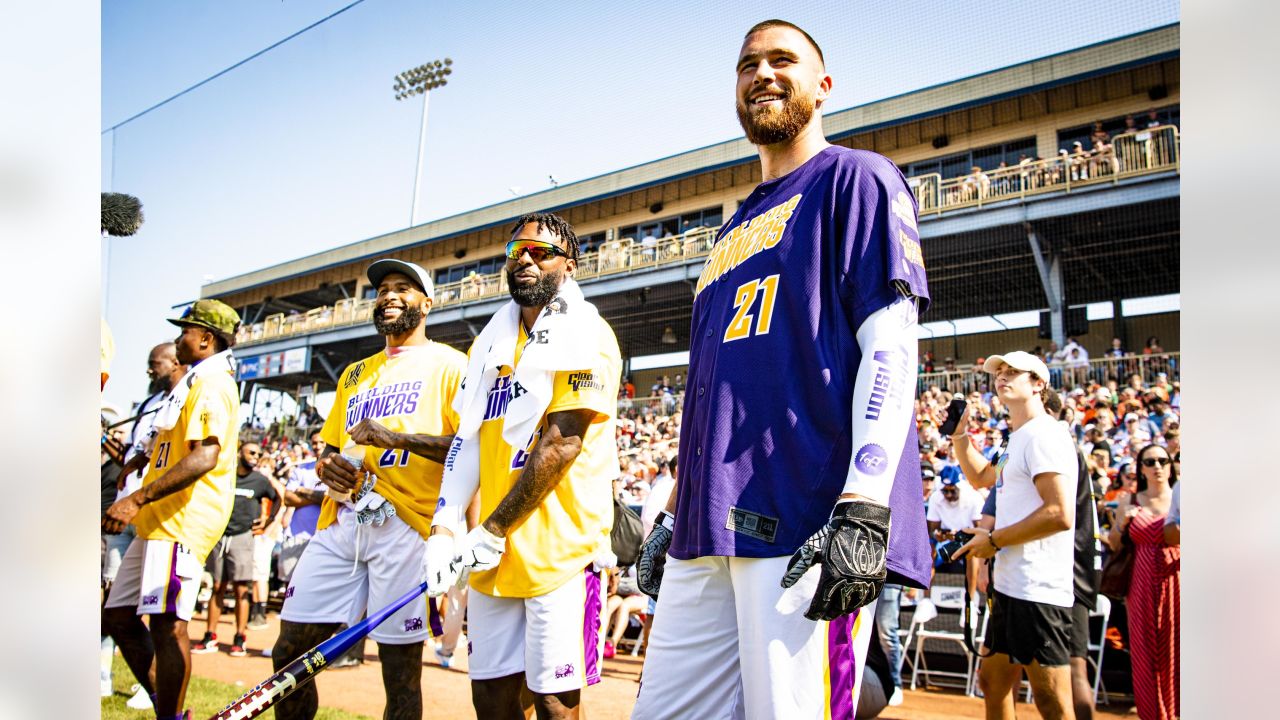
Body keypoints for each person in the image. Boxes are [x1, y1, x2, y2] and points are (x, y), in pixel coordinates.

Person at [631, 20, 931, 718]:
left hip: (805, 518)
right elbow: (719, 392)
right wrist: (677, 511)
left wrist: (864, 501)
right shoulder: (730, 233)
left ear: (823, 87)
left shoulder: (856, 177)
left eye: (782, 60)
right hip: (707, 528)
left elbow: (892, 340)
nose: (762, 73)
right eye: (747, 65)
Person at [425, 212, 622, 720]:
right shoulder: (488, 344)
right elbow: (466, 440)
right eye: (517, 252)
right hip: (493, 558)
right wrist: (444, 527)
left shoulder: (588, 333)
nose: (526, 259)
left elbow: (562, 442)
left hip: (561, 554)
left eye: (541, 251)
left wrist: (489, 528)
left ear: (570, 267)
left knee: (555, 704)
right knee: (490, 699)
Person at [271, 259, 466, 720]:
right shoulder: (354, 374)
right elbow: (333, 450)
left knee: (399, 675)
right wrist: (328, 469)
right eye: (382, 290)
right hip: (343, 522)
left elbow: (470, 451)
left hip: (406, 526)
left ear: (428, 302)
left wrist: (396, 438)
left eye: (403, 288)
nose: (389, 296)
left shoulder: (452, 365)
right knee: (288, 656)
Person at [102, 299, 243, 720]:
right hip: (158, 520)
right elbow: (167, 441)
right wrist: (136, 462)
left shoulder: (213, 383)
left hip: (182, 519)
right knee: (120, 615)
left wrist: (136, 497)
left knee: (168, 624)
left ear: (205, 338)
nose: (179, 338)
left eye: (185, 331)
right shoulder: (191, 383)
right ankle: (170, 711)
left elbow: (204, 457)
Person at [948, 350, 1078, 720]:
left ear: (1039, 384)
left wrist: (993, 541)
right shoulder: (1016, 437)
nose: (1001, 377)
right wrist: (960, 435)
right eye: (999, 372)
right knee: (993, 681)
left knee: (1052, 701)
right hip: (1010, 585)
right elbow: (981, 478)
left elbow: (1059, 514)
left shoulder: (1045, 436)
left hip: (1038, 589)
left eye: (1013, 372)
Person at [1107, 444, 1179, 720]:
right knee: (1145, 653)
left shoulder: (1182, 498)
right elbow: (1113, 544)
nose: (1157, 466)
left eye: (1163, 460)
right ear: (1141, 468)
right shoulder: (1130, 500)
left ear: (1170, 465)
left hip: (1178, 582)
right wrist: (1121, 524)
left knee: (1179, 651)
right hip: (1141, 585)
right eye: (1150, 462)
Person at [191, 442, 277, 657]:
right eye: (251, 452)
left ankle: (240, 637)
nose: (255, 456)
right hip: (221, 535)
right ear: (240, 452)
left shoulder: (260, 480)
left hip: (242, 537)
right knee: (217, 586)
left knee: (241, 589)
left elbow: (278, 498)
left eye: (258, 453)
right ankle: (210, 635)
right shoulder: (225, 475)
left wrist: (269, 520)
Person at [276, 433, 327, 587]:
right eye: (314, 443)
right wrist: (319, 497)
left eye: (321, 442)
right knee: (290, 585)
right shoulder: (302, 469)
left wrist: (303, 491)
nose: (317, 446)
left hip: (323, 536)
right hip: (297, 534)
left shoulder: (334, 470)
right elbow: (288, 498)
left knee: (316, 585)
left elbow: (330, 499)